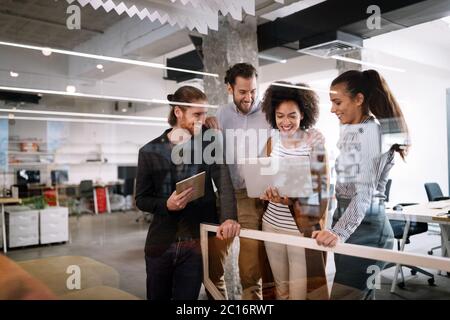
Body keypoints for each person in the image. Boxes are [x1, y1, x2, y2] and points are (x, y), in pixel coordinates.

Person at [135, 85, 240, 300]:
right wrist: (167, 204)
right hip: (161, 244)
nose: (202, 120)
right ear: (178, 112)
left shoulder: (208, 143)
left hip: (196, 243)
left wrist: (229, 218)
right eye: (197, 114)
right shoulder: (148, 152)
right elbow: (141, 199)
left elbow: (224, 183)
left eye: (204, 113)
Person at [312, 69, 409, 299]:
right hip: (350, 220)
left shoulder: (371, 134)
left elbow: (364, 194)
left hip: (367, 228)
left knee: (344, 295)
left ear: (359, 99)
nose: (333, 109)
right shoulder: (352, 130)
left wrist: (339, 232)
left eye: (337, 102)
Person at [205, 63, 274, 300]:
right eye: (243, 92)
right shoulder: (221, 114)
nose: (250, 97)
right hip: (224, 194)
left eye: (253, 91)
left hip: (252, 196)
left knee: (250, 270)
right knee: (212, 266)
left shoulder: (268, 114)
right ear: (229, 89)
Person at [259, 82, 330, 300]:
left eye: (292, 115)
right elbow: (261, 175)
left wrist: (291, 199)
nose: (285, 122)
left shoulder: (313, 143)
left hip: (299, 228)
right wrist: (264, 191)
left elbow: (322, 190)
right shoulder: (272, 142)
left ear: (303, 114)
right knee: (280, 290)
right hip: (271, 224)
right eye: (280, 116)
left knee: (300, 293)